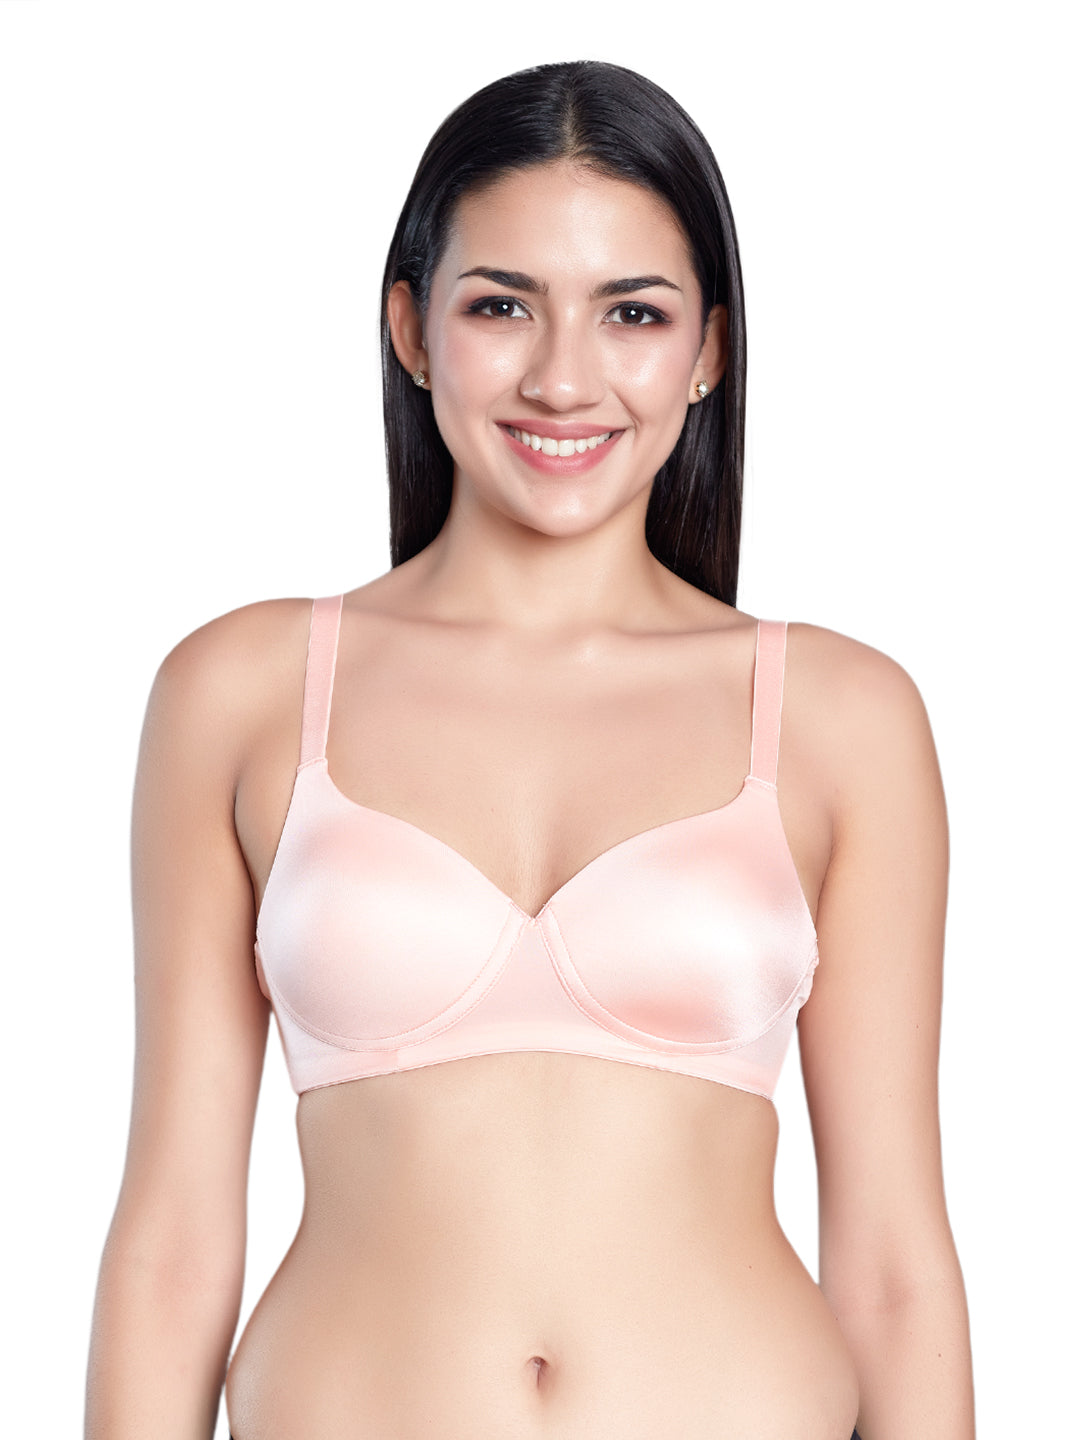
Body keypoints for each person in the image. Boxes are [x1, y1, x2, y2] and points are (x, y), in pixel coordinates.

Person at [85, 59, 975, 1440]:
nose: (564, 378)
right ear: (412, 329)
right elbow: (172, 1247)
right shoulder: (242, 694)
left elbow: (896, 1267)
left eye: (634, 312)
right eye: (502, 305)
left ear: (710, 351)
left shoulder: (840, 718)